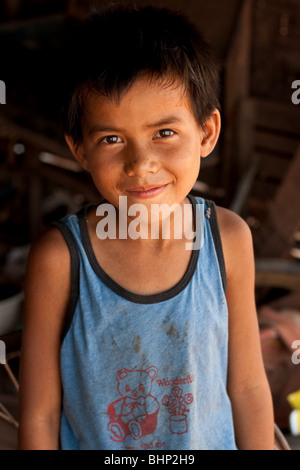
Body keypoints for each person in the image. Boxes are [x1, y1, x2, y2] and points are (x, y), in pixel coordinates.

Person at [18, 4, 274, 450]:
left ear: (207, 133)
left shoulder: (227, 240)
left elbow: (248, 387)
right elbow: (40, 416)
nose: (141, 164)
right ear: (79, 150)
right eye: (112, 139)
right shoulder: (60, 258)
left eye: (164, 133)